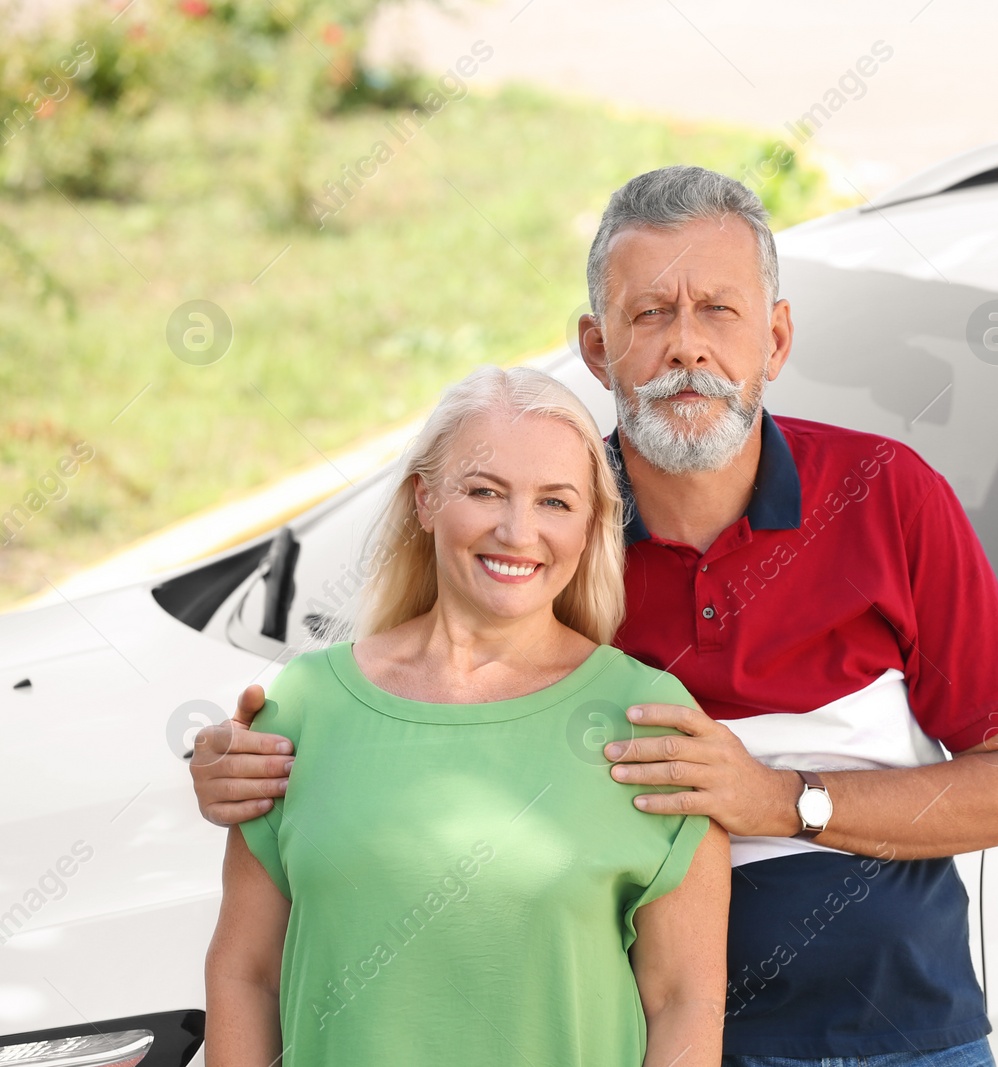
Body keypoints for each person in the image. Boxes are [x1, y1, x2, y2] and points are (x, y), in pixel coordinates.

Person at [194, 166, 998, 1066]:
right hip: (638, 1033)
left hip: (895, 1034)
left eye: (718, 311)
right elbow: (416, 700)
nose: (687, 348)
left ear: (776, 336)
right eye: (649, 314)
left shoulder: (890, 496)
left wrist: (778, 799)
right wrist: (257, 761)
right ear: (598, 349)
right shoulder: (555, 529)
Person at [202, 366, 729, 1067]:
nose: (517, 531)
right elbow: (247, 975)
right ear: (425, 498)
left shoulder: (650, 725)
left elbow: (684, 1001)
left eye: (555, 502)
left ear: (591, 525)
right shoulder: (301, 709)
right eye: (484, 491)